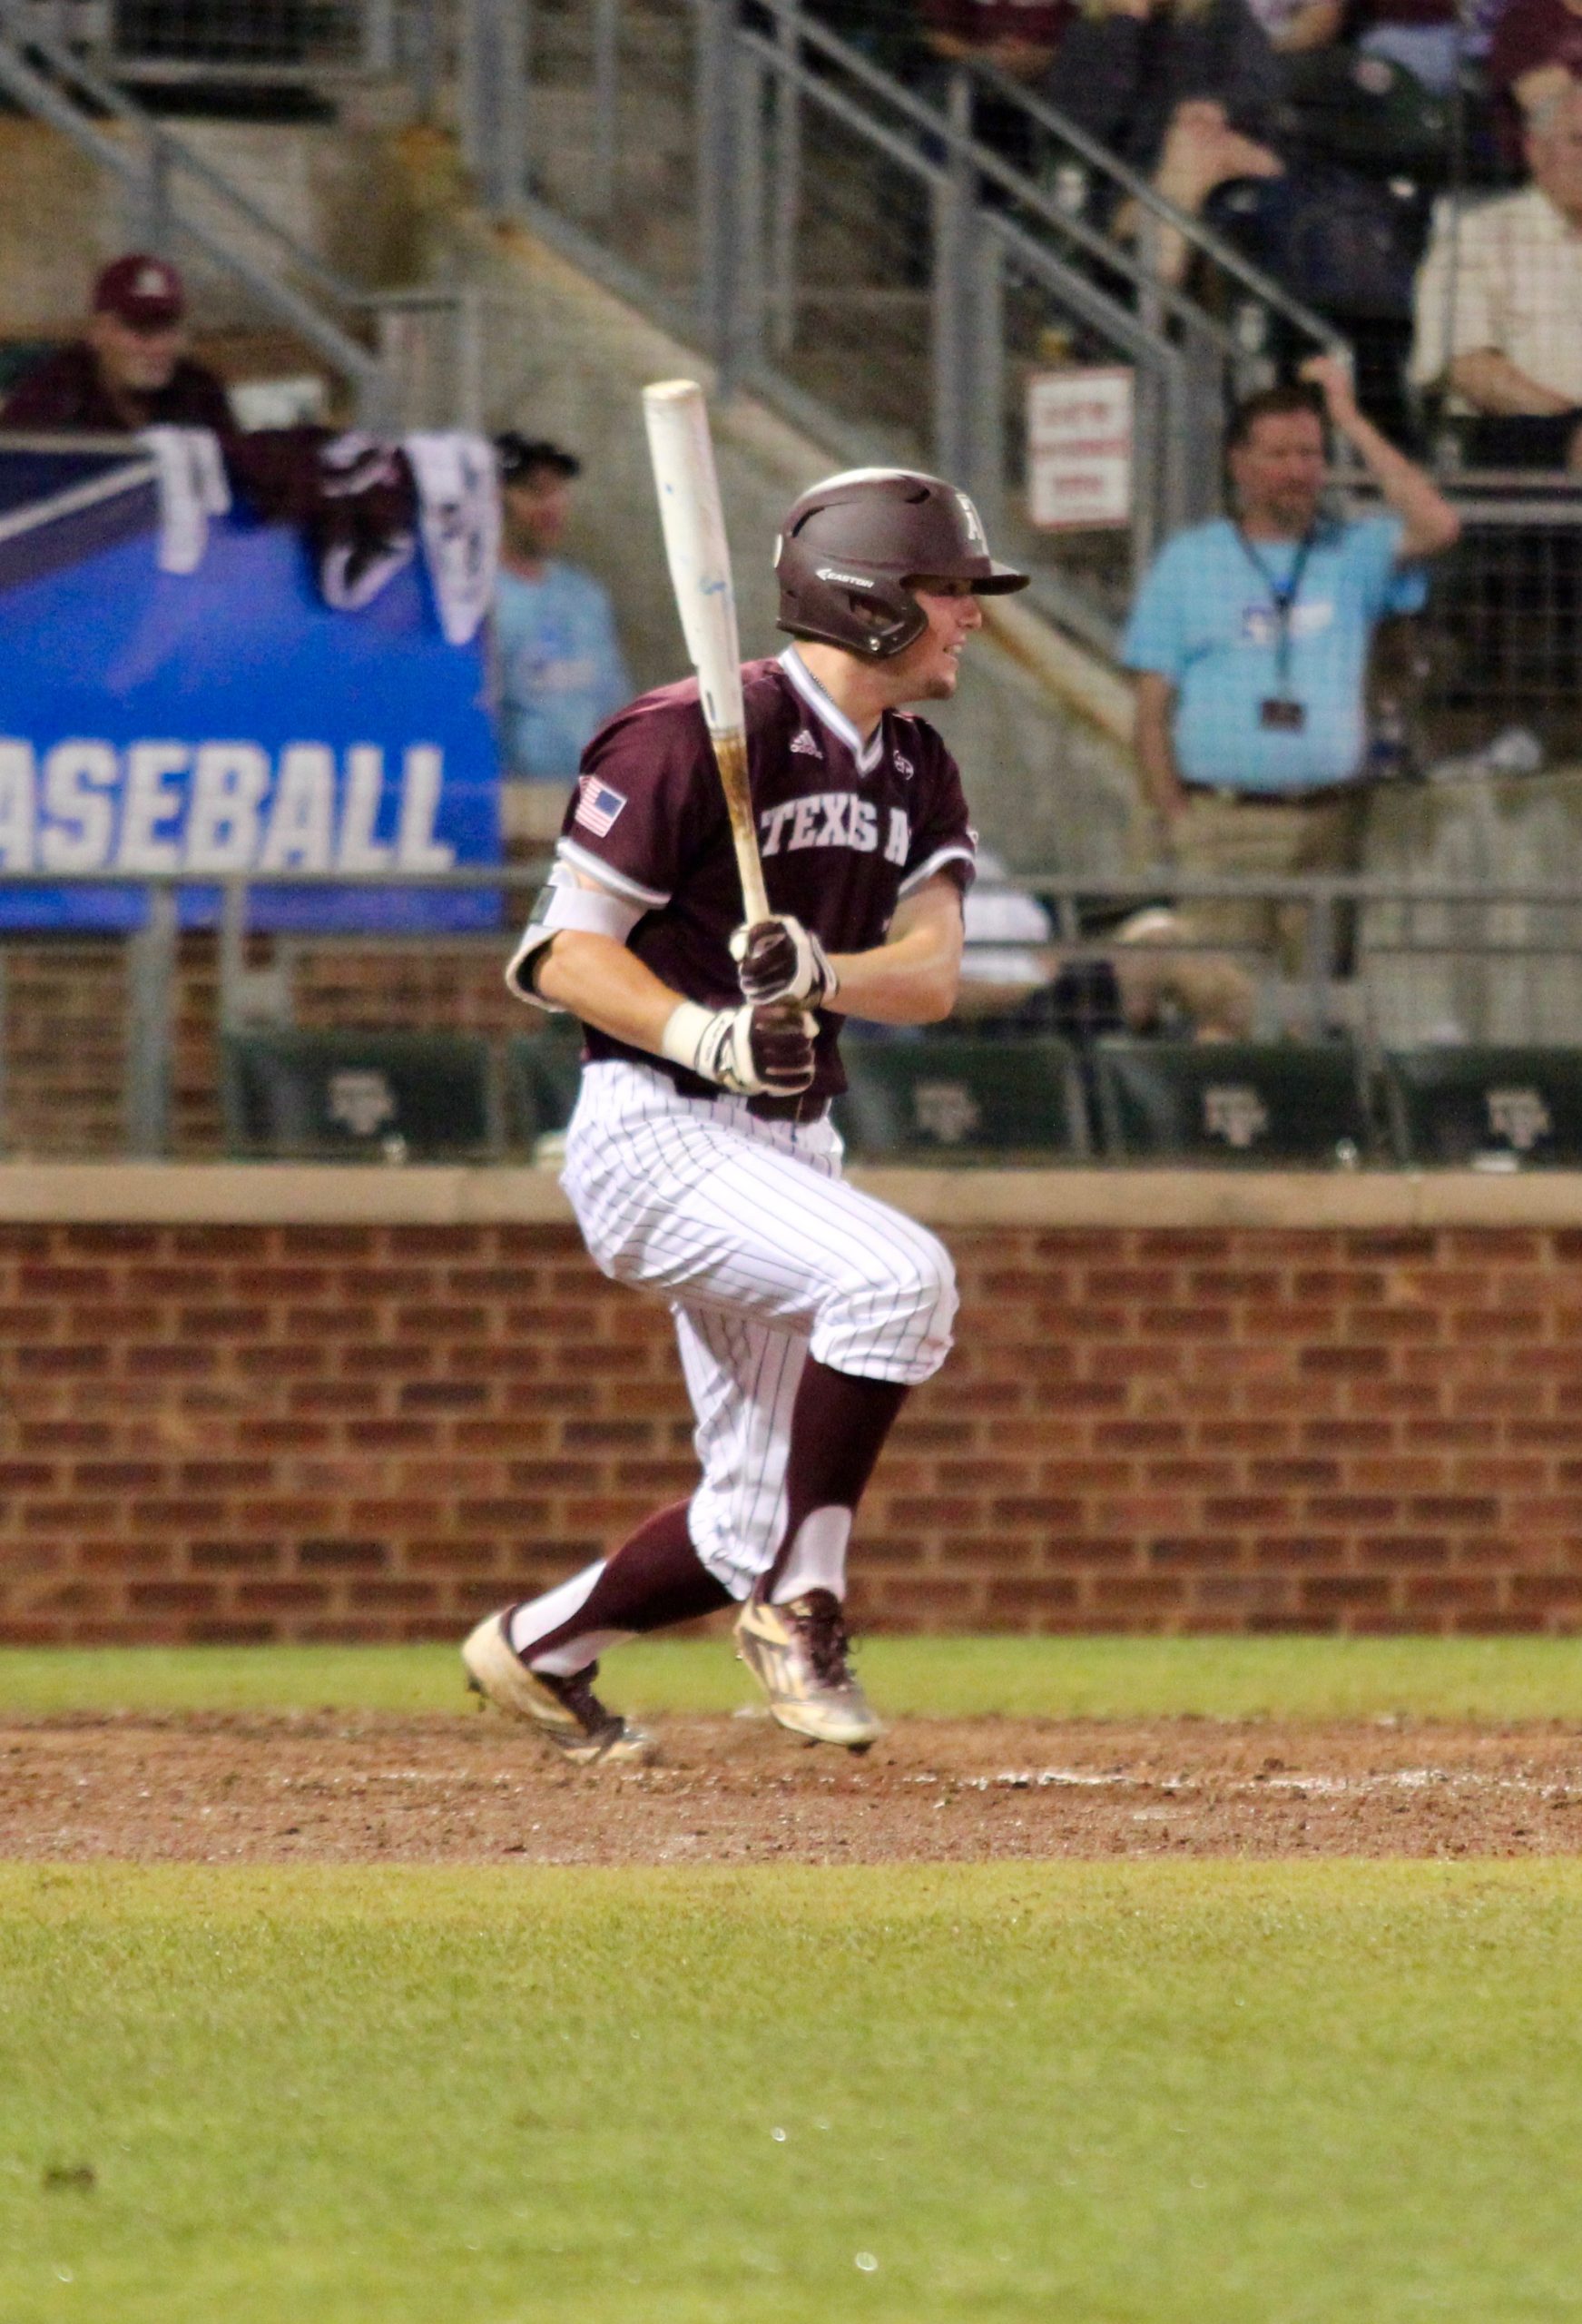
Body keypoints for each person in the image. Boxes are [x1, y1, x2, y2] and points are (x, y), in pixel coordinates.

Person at [462, 467, 1028, 1764]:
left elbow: (930, 976)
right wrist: (704, 1026)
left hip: (786, 1145)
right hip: (653, 1131)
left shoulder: (916, 767)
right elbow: (560, 955)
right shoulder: (679, 732)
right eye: (949, 591)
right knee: (898, 1283)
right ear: (870, 597)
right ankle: (804, 1603)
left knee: (740, 1515)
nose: (970, 617)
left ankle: (538, 1648)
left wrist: (821, 975)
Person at [1123, 356, 1459, 962]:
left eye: (1308, 454)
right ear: (1239, 465)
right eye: (1277, 455)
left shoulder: (1350, 553)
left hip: (1327, 823)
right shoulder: (1189, 562)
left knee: (1314, 1018)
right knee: (1223, 1004)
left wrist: (1350, 420)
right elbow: (1149, 711)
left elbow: (1436, 524)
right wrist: (1175, 816)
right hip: (1224, 825)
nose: (1296, 471)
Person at [1410, 84, 1582, 468]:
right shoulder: (1477, 238)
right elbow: (1467, 368)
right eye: (1578, 141)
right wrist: (1569, 424)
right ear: (1535, 150)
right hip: (1521, 439)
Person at [491, 432, 632, 837]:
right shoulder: (476, 603)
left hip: (587, 801)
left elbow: (612, 708)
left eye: (558, 492)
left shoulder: (585, 597)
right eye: (535, 492)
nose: (552, 507)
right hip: (513, 806)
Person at [0, 254, 231, 434]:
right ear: (98, 332)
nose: (158, 347)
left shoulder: (199, 393)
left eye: (167, 329)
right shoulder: (52, 395)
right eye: (141, 330)